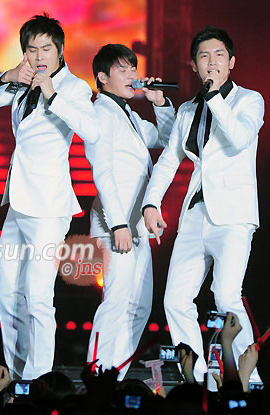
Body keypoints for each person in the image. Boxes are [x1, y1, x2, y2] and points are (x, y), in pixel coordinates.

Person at [0, 13, 100, 380]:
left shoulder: (73, 88)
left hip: (48, 205)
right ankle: (16, 373)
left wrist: (52, 93)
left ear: (60, 50)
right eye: (32, 49)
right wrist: (9, 77)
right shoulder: (21, 82)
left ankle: (38, 378)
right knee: (6, 292)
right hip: (17, 202)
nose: (39, 56)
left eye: (46, 48)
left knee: (37, 295)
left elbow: (91, 131)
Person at [142, 26, 264, 383]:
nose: (211, 62)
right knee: (175, 300)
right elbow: (169, 161)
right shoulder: (187, 110)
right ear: (194, 65)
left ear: (231, 62)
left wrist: (214, 99)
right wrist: (151, 203)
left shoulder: (249, 100)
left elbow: (239, 139)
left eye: (218, 55)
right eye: (204, 56)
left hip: (233, 215)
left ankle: (247, 379)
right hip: (196, 214)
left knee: (226, 296)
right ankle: (197, 378)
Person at [84, 44, 175, 379]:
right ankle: (96, 377)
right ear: (102, 77)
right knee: (117, 301)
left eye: (132, 68)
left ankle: (114, 376)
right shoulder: (99, 113)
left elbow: (169, 139)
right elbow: (102, 172)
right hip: (116, 225)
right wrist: (118, 224)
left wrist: (159, 102)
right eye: (121, 69)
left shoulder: (130, 116)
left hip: (135, 226)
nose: (131, 75)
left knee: (139, 307)